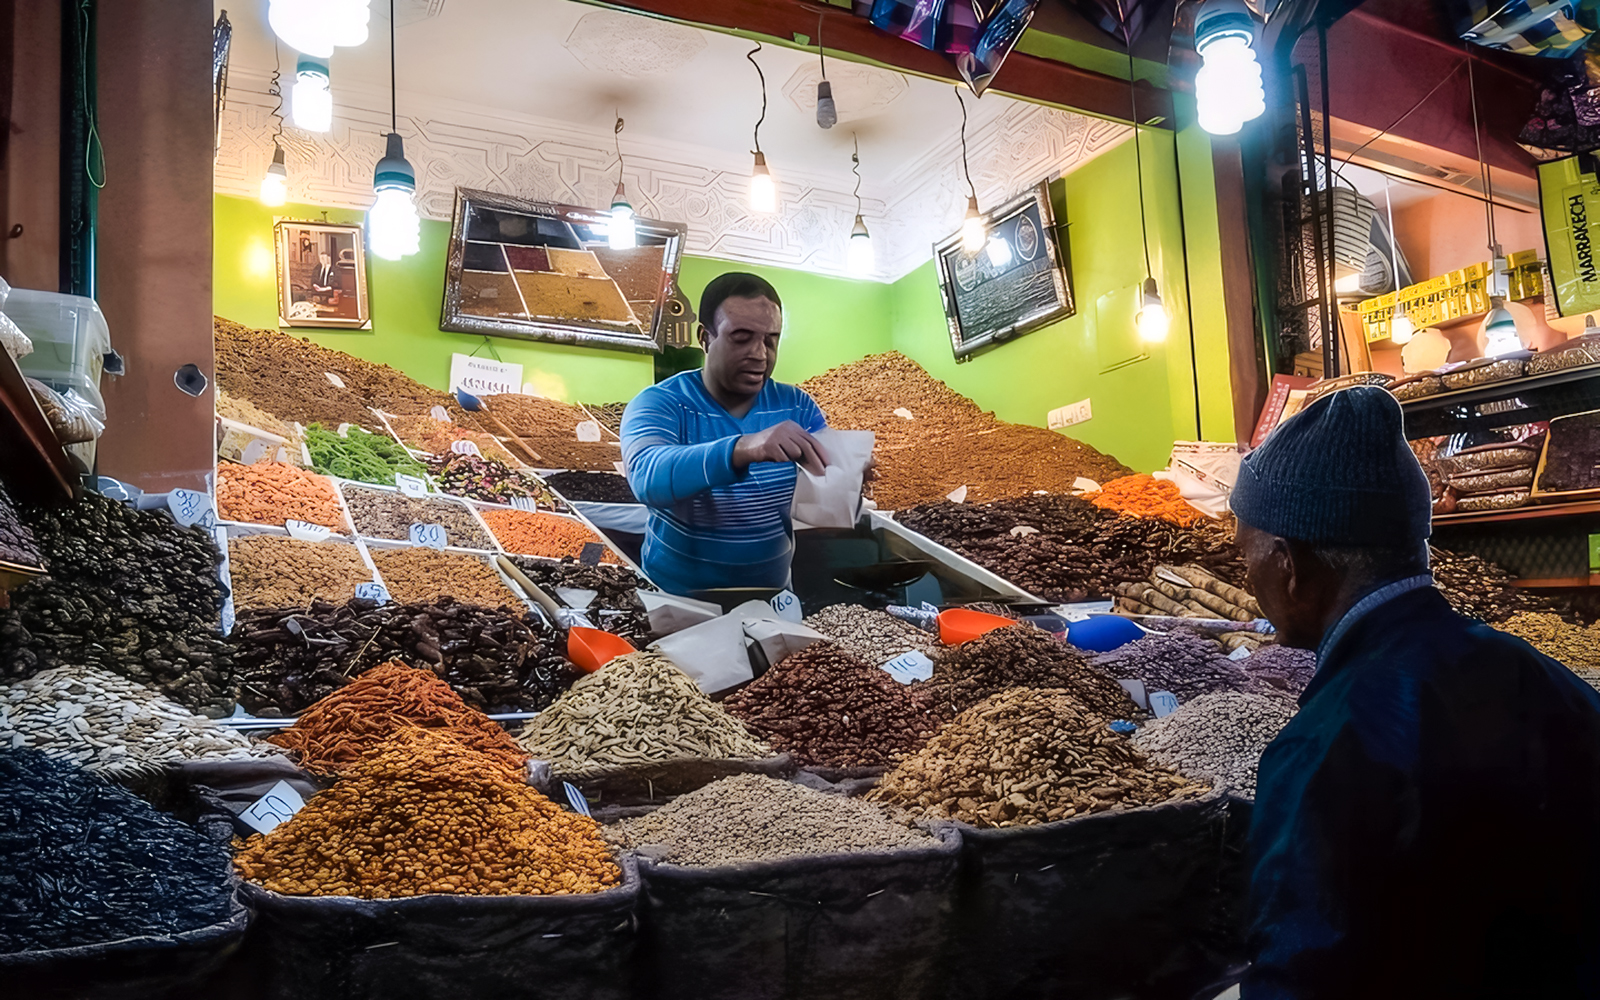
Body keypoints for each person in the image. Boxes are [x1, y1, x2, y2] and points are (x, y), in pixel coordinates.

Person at [1229, 385, 1600, 999]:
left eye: (1247, 556)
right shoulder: (1542, 677)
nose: (1246, 577)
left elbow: (1299, 976)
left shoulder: (1326, 747)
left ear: (1289, 563)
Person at [621, 271, 837, 597]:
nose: (760, 354)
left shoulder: (797, 406)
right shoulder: (660, 402)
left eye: (770, 340)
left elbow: (824, 486)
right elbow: (646, 476)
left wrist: (848, 475)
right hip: (679, 603)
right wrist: (743, 448)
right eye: (741, 337)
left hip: (772, 599)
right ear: (705, 338)